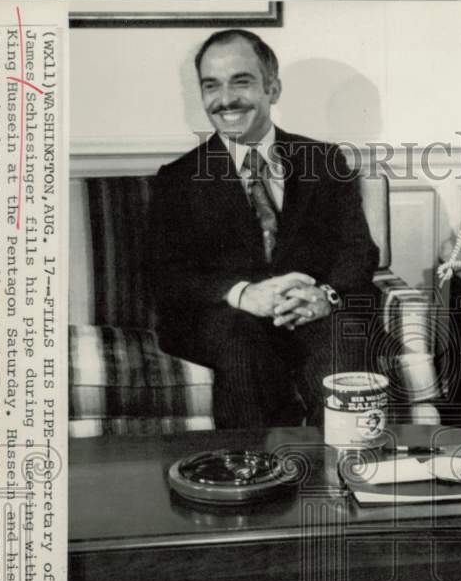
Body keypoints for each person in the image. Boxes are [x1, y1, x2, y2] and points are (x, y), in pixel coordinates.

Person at [150, 29, 381, 429]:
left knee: (342, 352)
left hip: (315, 313)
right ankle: (253, 482)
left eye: (241, 81)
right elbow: (167, 274)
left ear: (272, 88)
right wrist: (243, 294)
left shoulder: (323, 161)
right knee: (241, 347)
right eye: (211, 86)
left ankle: (344, 479)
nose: (225, 99)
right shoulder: (178, 179)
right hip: (230, 320)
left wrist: (323, 295)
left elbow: (358, 250)